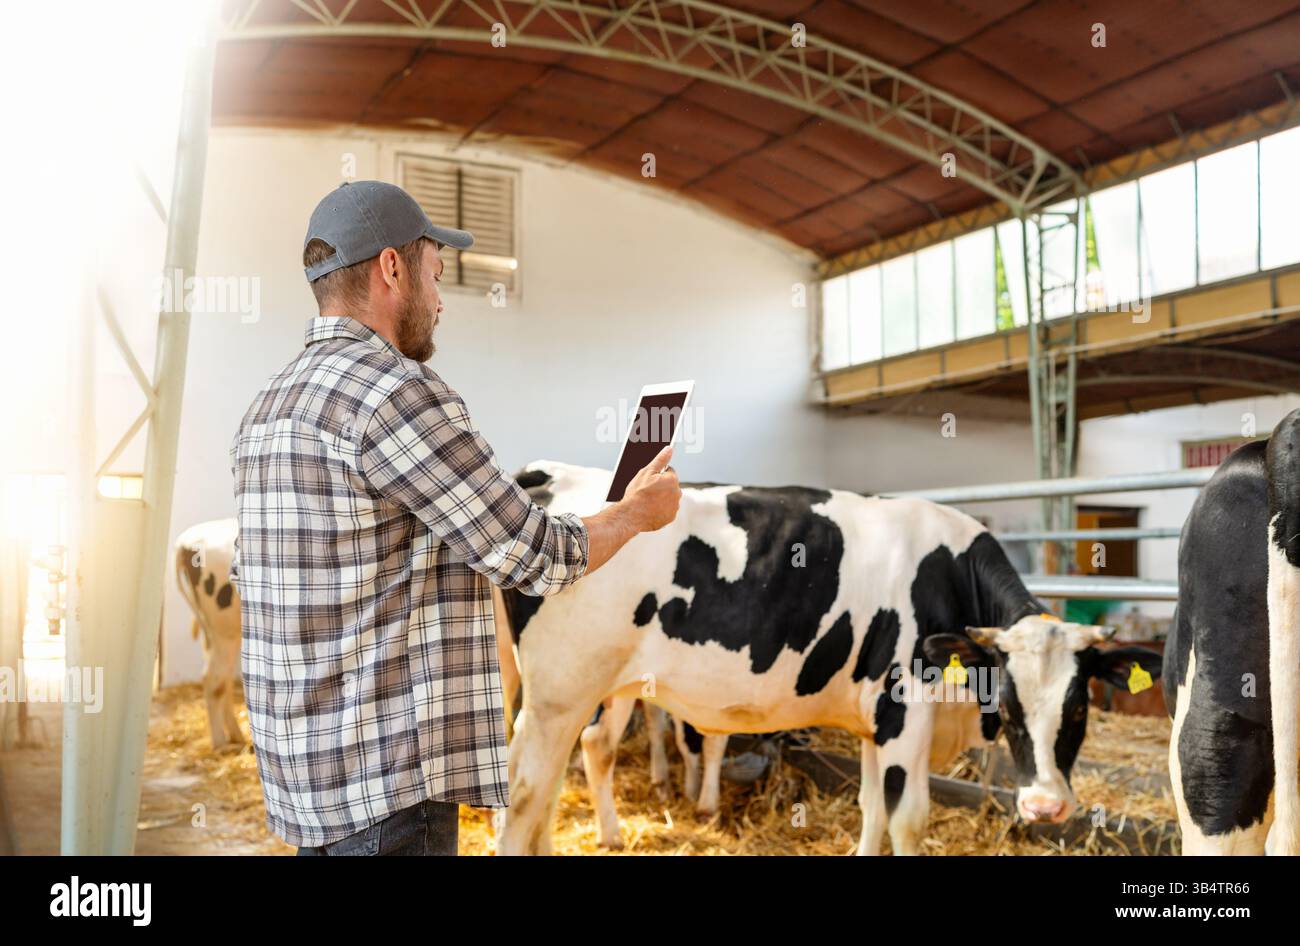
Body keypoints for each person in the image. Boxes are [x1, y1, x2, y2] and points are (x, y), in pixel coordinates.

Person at [229, 180, 681, 855]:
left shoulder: (263, 410)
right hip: (388, 793)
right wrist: (636, 513)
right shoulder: (396, 393)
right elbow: (532, 555)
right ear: (391, 269)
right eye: (436, 274)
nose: (440, 302)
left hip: (307, 788)